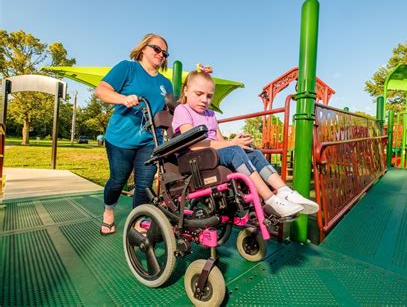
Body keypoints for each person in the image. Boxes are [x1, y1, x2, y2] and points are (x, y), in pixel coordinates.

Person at [171, 66, 319, 217]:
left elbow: (220, 141)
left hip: (211, 154)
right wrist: (232, 144)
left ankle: (285, 191)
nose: (204, 99)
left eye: (209, 96)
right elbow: (193, 144)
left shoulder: (210, 114)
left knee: (252, 152)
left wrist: (237, 141)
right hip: (194, 157)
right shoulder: (182, 110)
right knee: (235, 150)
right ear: (185, 91)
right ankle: (271, 199)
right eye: (199, 94)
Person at [95, 33, 173, 235]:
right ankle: (108, 211)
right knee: (117, 180)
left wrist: (200, 77)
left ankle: (137, 221)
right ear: (144, 48)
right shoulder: (127, 68)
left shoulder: (166, 83)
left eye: (165, 53)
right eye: (157, 49)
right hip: (121, 138)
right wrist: (122, 98)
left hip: (149, 140)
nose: (161, 55)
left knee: (144, 184)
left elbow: (175, 109)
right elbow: (101, 91)